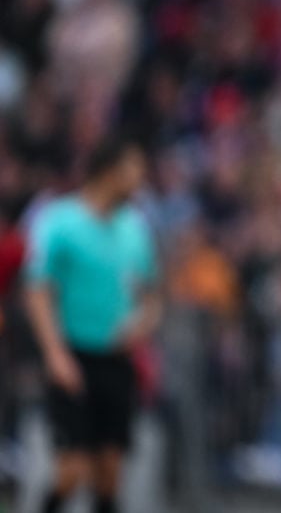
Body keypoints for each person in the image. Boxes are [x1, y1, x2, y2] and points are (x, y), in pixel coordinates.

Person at [23, 136, 161, 513]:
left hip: (116, 361)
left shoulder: (135, 228)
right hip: (73, 356)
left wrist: (142, 323)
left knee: (110, 473)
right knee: (73, 470)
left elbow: (151, 296)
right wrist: (55, 354)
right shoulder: (60, 221)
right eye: (134, 168)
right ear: (109, 170)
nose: (140, 178)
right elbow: (37, 290)